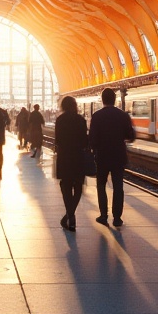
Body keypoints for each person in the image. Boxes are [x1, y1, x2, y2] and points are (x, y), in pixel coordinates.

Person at [89, 88, 134, 227]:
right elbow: (130, 136)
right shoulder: (123, 116)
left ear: (102, 100)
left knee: (101, 185)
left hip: (102, 156)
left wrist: (95, 148)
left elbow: (92, 139)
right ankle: (117, 218)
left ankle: (103, 215)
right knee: (118, 187)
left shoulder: (96, 116)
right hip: (118, 156)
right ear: (115, 99)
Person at [53, 95, 89, 231]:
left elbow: (57, 141)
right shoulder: (81, 120)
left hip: (64, 157)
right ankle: (70, 215)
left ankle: (70, 215)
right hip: (78, 157)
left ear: (63, 106)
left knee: (66, 185)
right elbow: (85, 141)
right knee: (78, 186)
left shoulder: (60, 120)